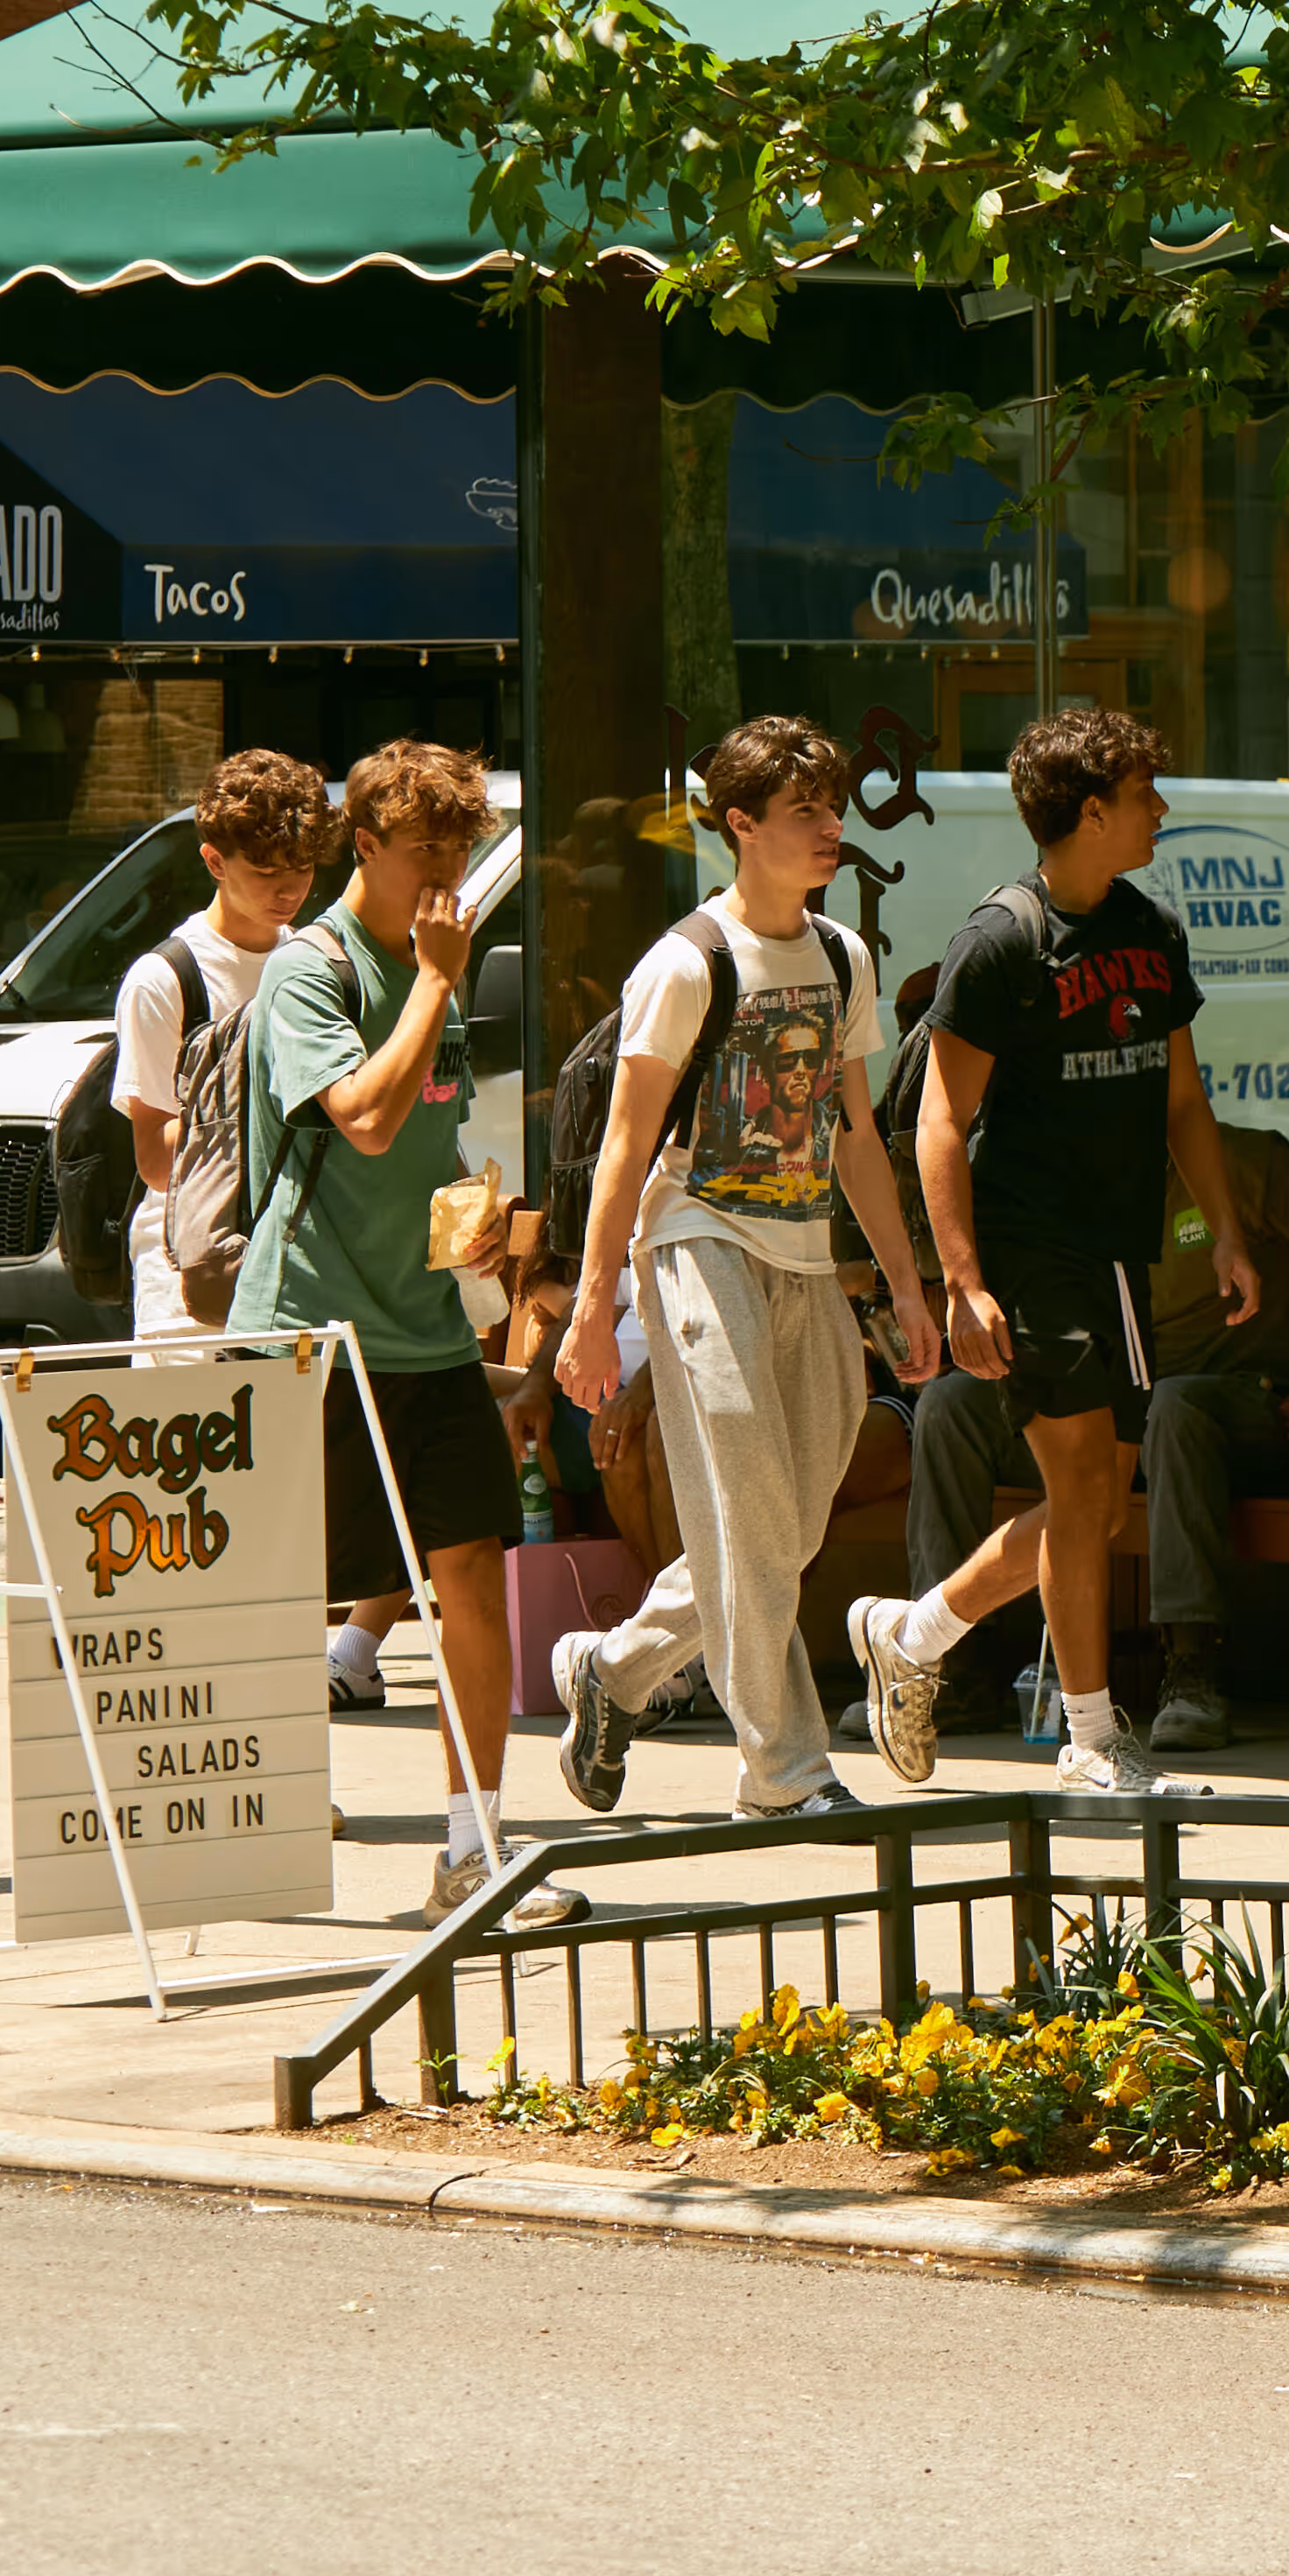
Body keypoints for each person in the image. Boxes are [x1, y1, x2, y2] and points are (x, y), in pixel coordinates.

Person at [841, 705, 1259, 1801]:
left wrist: (1226, 1230)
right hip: (1031, 1251)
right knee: (1082, 1486)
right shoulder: (999, 942)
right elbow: (937, 1122)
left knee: (1097, 1503)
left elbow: (1183, 1099)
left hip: (1118, 1253)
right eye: (1143, 794)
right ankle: (1090, 1734)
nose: (1160, 808)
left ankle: (916, 1632)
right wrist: (963, 1282)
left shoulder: (1150, 932)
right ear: (1090, 812)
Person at [547, 717, 944, 1822]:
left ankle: (614, 1670)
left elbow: (860, 1134)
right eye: (806, 813)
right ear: (741, 826)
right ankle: (784, 1768)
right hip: (695, 1242)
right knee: (753, 1511)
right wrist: (592, 1312)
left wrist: (906, 1288)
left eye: (833, 807)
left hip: (808, 1257)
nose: (832, 828)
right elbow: (626, 1146)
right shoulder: (685, 962)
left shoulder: (842, 956)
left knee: (785, 1520)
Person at [236, 736, 577, 1929]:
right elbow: (367, 1123)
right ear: (364, 846)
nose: (446, 868)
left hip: (424, 1333)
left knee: (470, 1571)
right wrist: (435, 979)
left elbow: (429, 1147)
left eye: (461, 845)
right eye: (424, 845)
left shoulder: (442, 958)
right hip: (309, 1334)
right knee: (279, 1595)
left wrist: (477, 1237)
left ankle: (470, 1851)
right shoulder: (309, 971)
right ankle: (236, 1835)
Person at [888, 1114, 1289, 1749]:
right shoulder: (1070, 1189)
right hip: (1117, 1415)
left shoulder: (1242, 1162)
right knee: (952, 1404)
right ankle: (946, 1669)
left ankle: (1191, 1667)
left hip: (1251, 1412)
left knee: (1174, 1408)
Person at [109, 749, 375, 1697]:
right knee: (190, 1501)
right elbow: (152, 1157)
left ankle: (269, 1730)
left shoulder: (326, 957)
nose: (290, 888)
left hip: (305, 1258)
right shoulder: (168, 977)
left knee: (283, 1506)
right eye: (267, 871)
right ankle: (200, 1710)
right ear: (213, 859)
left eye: (304, 868)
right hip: (194, 1274)